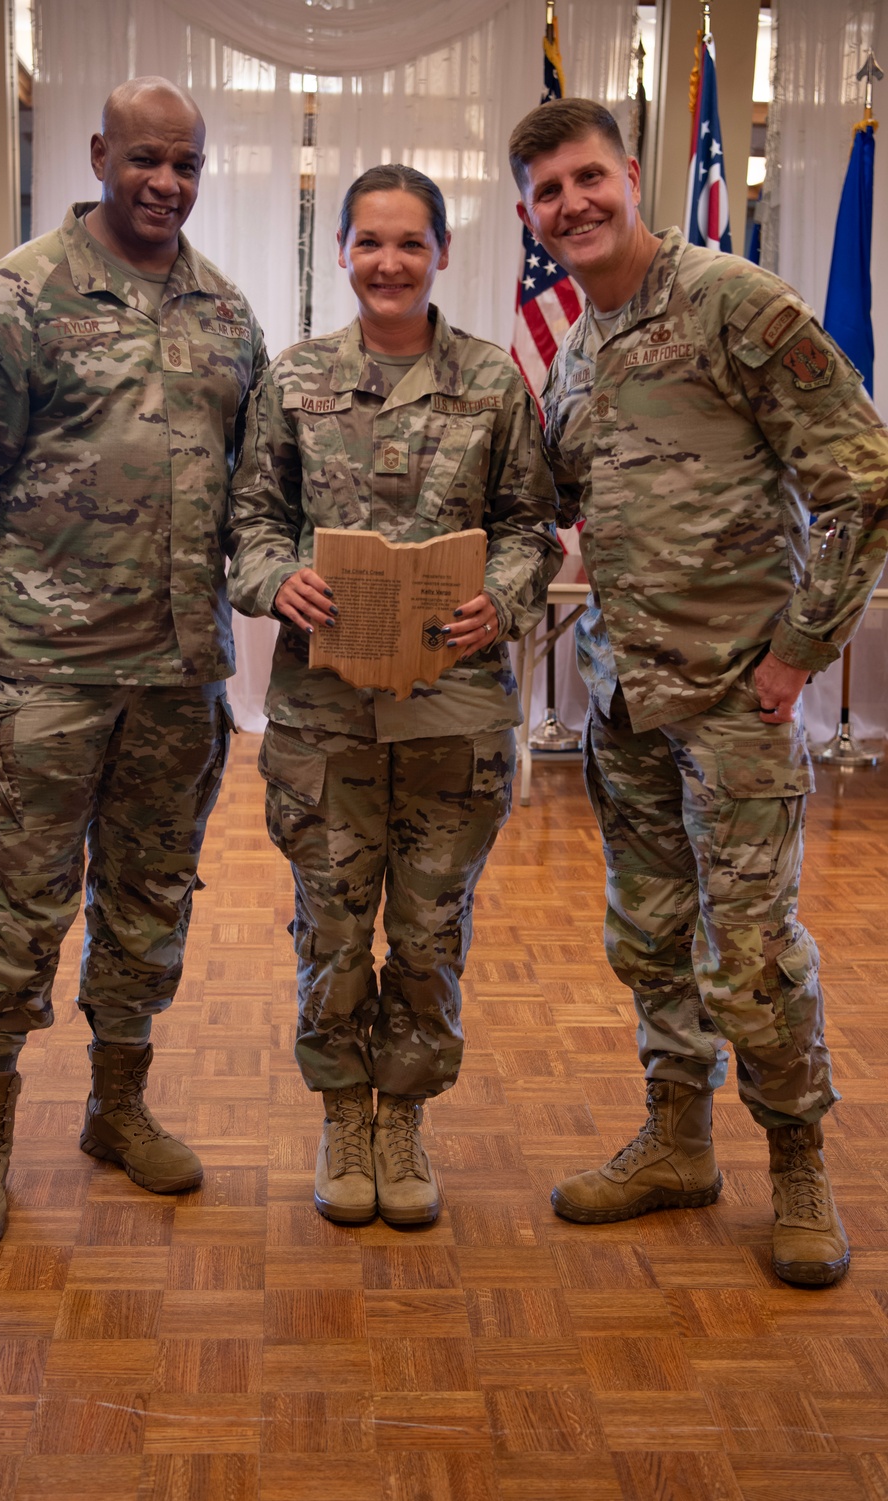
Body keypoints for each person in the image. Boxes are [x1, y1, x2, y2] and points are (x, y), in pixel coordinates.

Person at [508, 97, 888, 1286]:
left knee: (755, 952)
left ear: (631, 175)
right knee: (650, 936)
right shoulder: (573, 348)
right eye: (546, 193)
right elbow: (578, 507)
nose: (571, 204)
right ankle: (677, 1139)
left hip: (736, 702)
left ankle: (796, 1166)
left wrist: (796, 653)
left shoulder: (733, 301)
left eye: (587, 178)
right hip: (625, 698)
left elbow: (862, 483)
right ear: (528, 215)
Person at [0, 77, 267, 1246]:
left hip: (178, 674)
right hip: (49, 670)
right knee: (20, 905)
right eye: (147, 159)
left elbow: (261, 488)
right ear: (101, 151)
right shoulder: (21, 299)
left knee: (151, 900)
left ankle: (119, 1108)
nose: (166, 183)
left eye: (187, 166)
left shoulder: (224, 311)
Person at [228, 165, 559, 1228]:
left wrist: (501, 601)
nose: (388, 262)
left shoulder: (493, 383)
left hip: (451, 714)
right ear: (341, 252)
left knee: (426, 930)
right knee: (329, 924)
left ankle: (403, 1115)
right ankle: (341, 1112)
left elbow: (529, 528)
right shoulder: (291, 382)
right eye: (369, 242)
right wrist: (276, 578)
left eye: (409, 243)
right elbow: (246, 526)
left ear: (442, 255)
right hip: (323, 717)